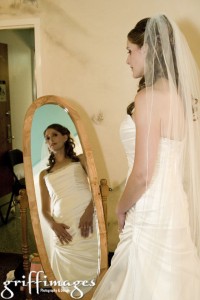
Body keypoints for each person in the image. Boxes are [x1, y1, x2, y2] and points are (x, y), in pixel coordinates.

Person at [92, 14, 200, 299]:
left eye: (130, 50)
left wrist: (120, 207)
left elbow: (142, 174)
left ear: (148, 49)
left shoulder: (149, 98)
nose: (127, 59)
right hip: (174, 208)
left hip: (150, 210)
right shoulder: (180, 97)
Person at [39, 123, 99, 296]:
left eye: (55, 135)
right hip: (62, 223)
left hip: (85, 217)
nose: (51, 140)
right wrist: (53, 225)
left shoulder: (80, 160)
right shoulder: (45, 174)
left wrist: (90, 211)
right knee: (67, 269)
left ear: (66, 137)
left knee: (92, 261)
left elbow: (97, 188)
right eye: (47, 138)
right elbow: (44, 209)